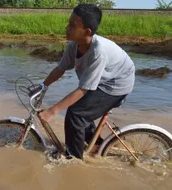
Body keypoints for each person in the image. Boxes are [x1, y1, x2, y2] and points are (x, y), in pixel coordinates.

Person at [38, 4, 135, 160]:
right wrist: (42, 86)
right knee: (81, 109)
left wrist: (52, 111)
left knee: (75, 114)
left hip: (116, 84)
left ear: (87, 32)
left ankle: (73, 159)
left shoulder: (98, 52)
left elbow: (83, 89)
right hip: (103, 80)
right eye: (68, 23)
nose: (67, 27)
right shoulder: (73, 46)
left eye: (72, 25)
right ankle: (96, 145)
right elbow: (60, 69)